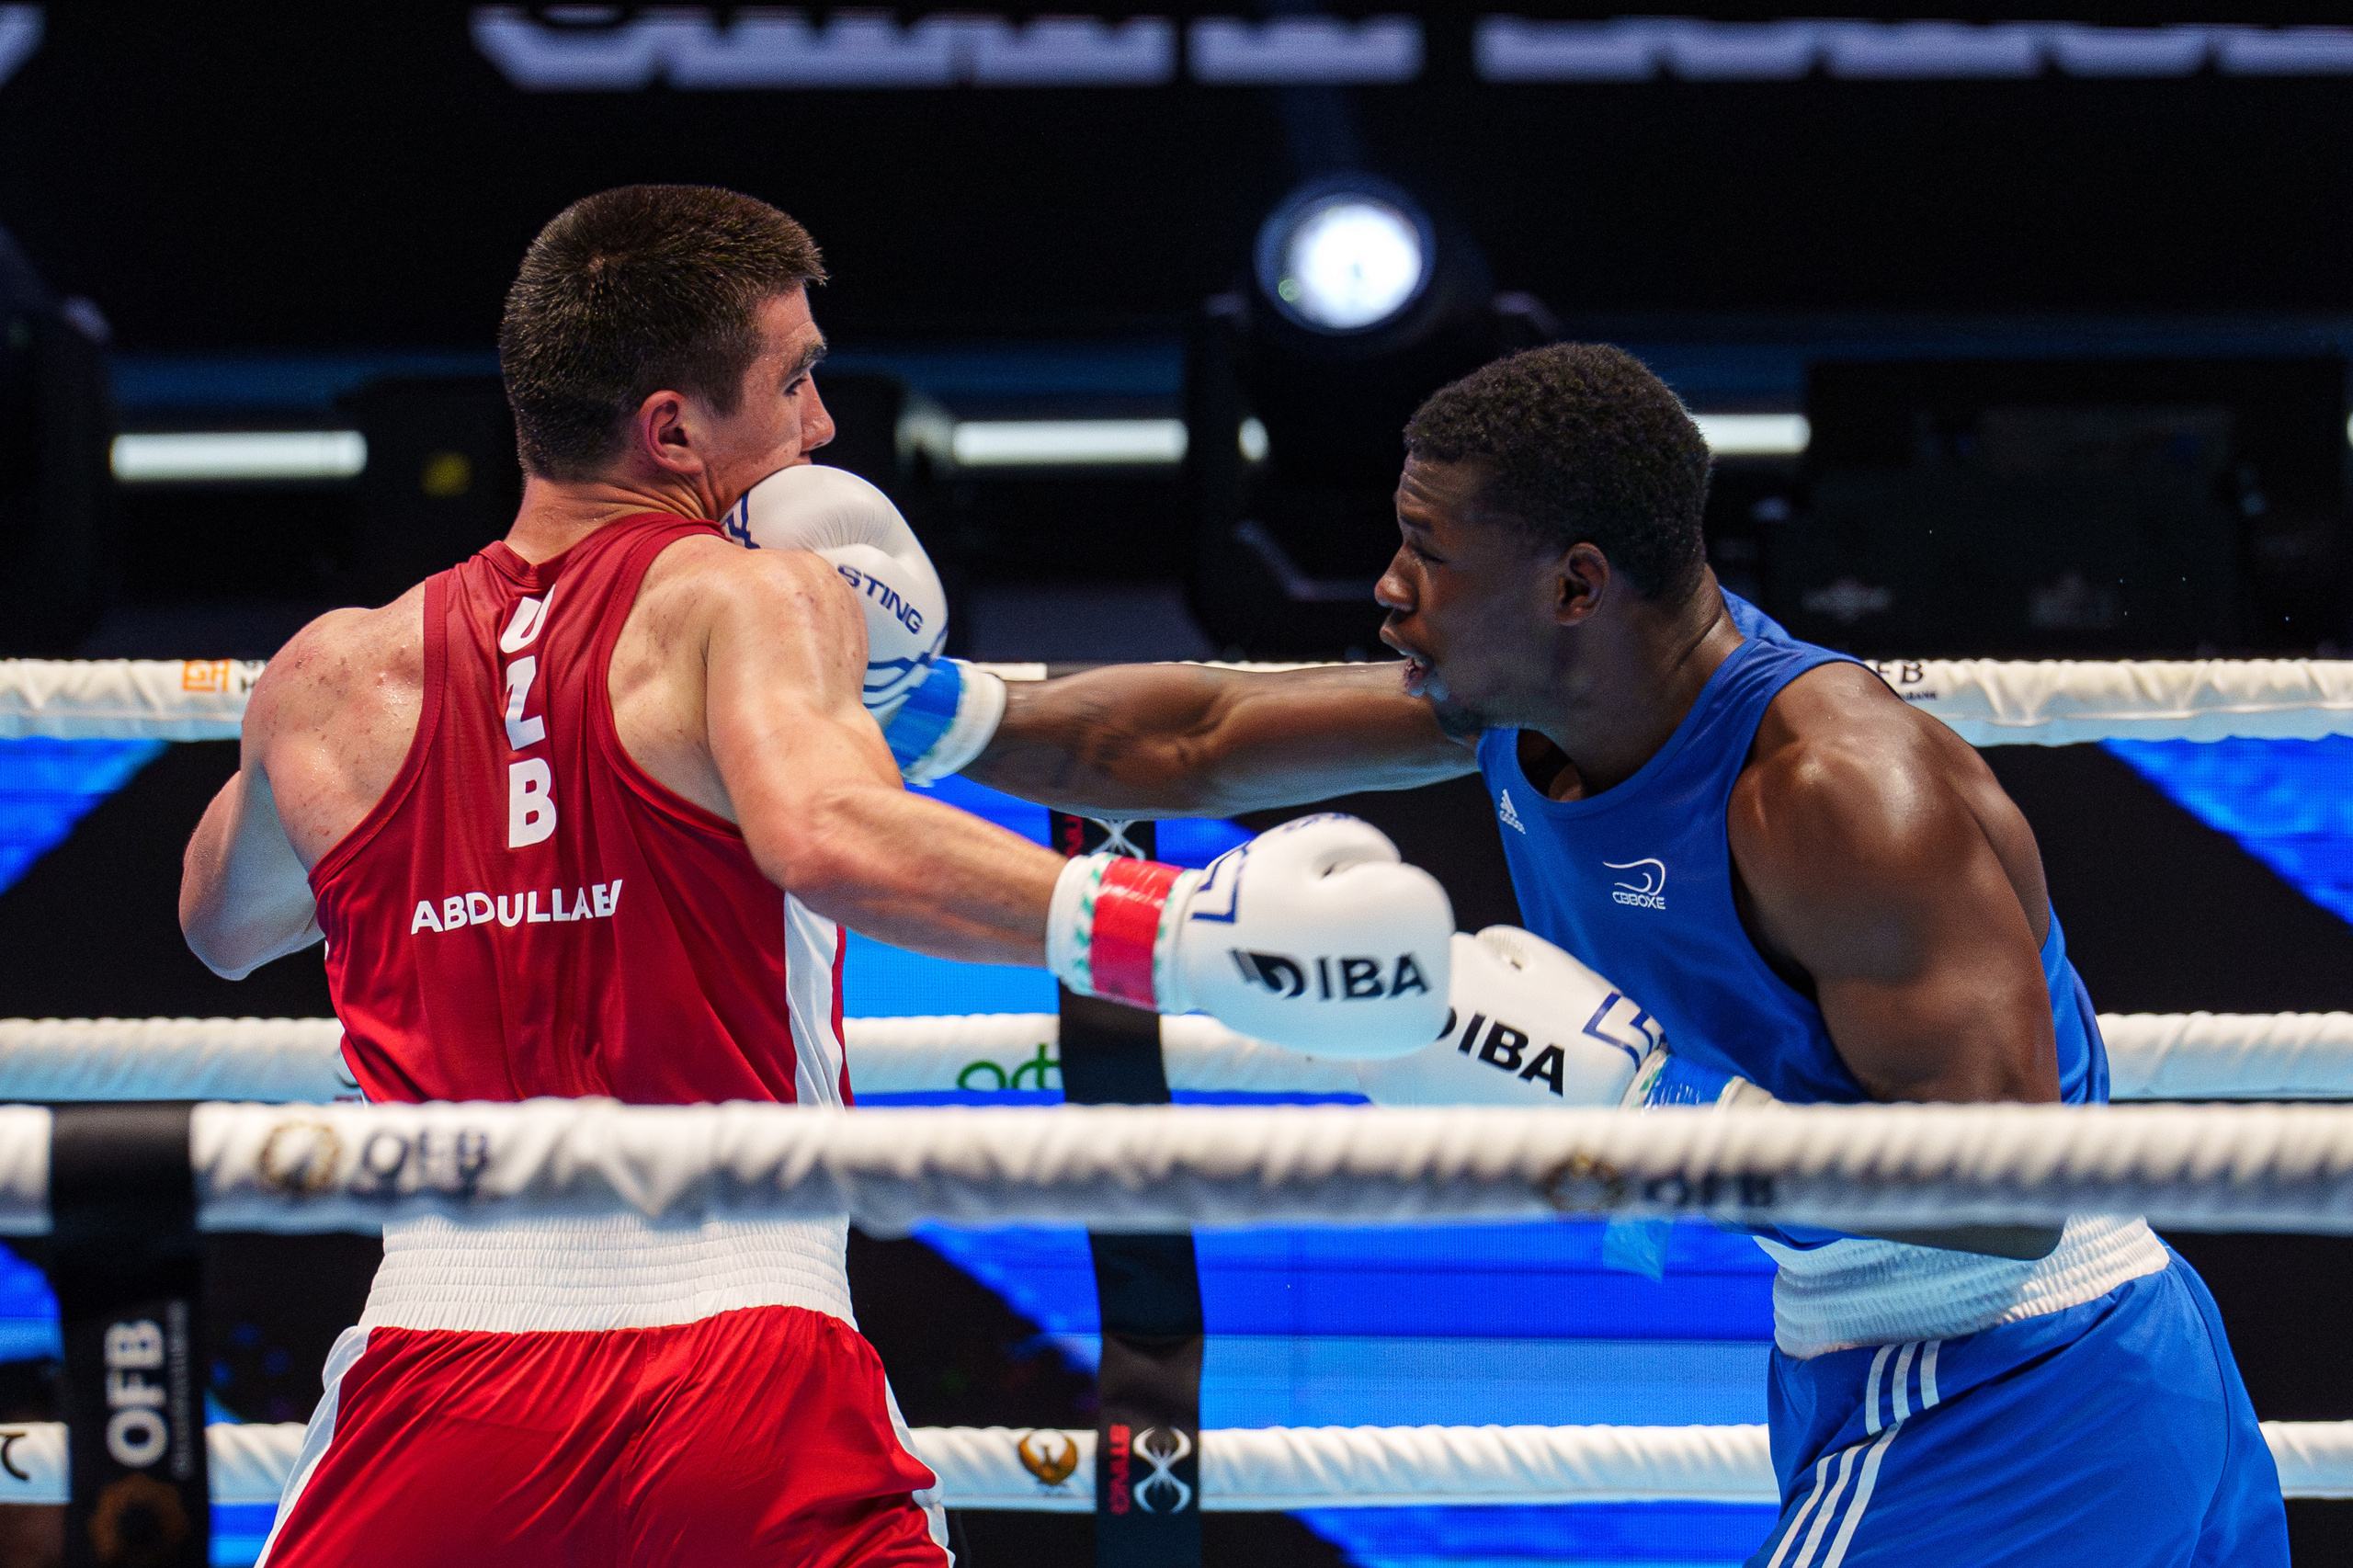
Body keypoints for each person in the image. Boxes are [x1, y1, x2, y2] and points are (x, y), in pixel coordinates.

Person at [176, 184, 1455, 1566]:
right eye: (794, 381)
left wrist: (453, 824)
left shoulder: (329, 676)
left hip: (434, 1385)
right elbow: (832, 836)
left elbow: (225, 925)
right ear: (672, 429)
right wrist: (1182, 929)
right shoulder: (752, 594)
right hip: (742, 1363)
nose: (823, 426)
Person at [899, 344, 2290, 1564]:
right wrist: (903, 709)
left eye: (1429, 550)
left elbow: (2009, 1190)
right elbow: (1184, 741)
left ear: (1576, 583)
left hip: (2024, 1377)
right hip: (1895, 1360)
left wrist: (1650, 1114)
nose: (1388, 588)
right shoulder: (1517, 706)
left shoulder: (1832, 790)